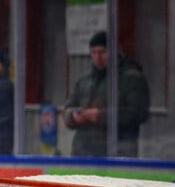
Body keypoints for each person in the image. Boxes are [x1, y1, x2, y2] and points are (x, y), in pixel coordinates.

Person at [63, 30, 150, 158]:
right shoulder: (84, 81)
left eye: (103, 52)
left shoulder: (132, 79)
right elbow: (68, 108)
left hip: (117, 153)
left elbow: (137, 113)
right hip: (83, 153)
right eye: (94, 53)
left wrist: (100, 116)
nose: (98, 58)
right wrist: (73, 116)